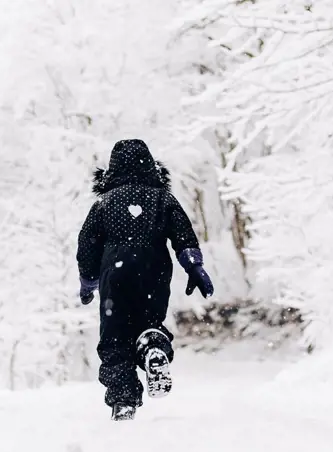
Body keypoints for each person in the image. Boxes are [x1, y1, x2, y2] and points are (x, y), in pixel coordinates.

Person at [76, 139, 214, 421]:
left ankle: (124, 401)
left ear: (111, 171)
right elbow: (183, 234)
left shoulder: (103, 204)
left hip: (114, 277)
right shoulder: (163, 199)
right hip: (154, 274)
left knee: (115, 339)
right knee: (150, 323)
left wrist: (88, 282)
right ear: (151, 166)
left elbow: (87, 245)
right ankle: (152, 348)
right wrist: (193, 266)